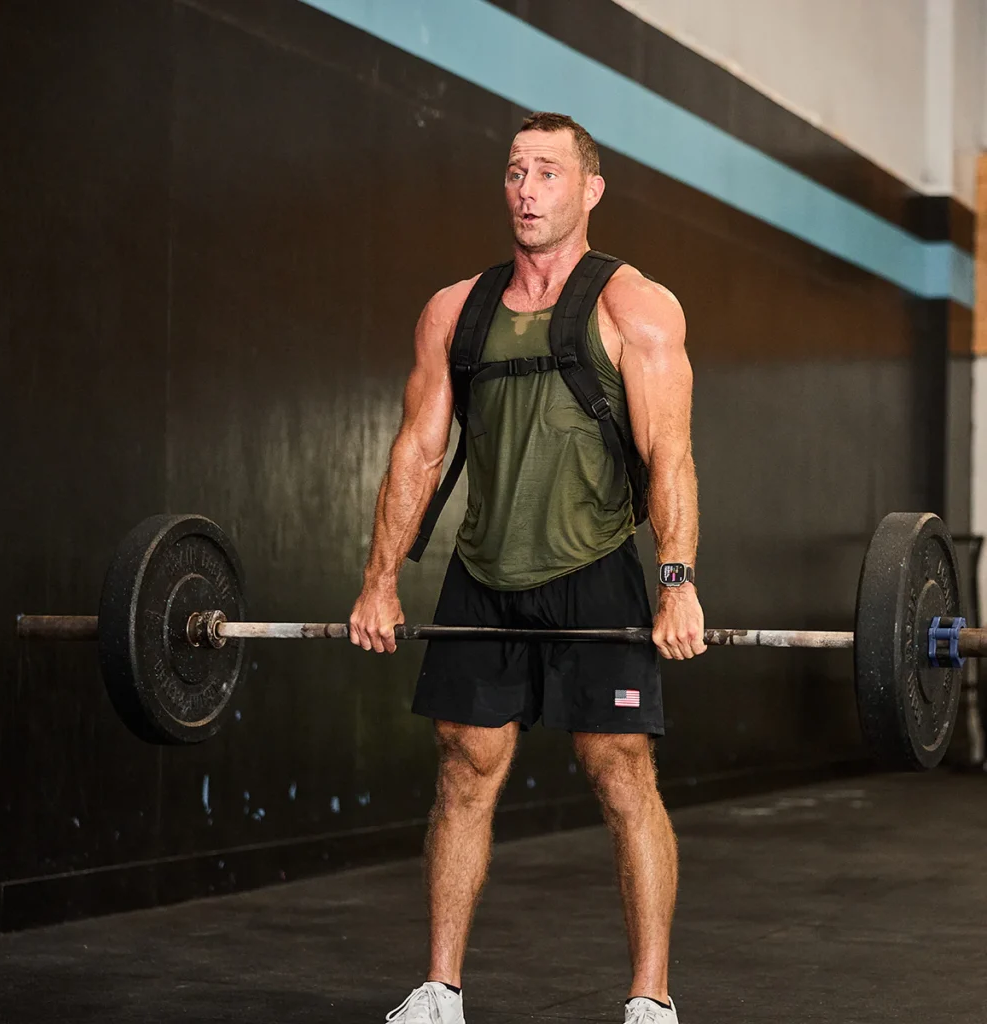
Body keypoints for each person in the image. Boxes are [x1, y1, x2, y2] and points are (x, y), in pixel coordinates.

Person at [349, 111, 705, 1024]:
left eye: (548, 172)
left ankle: (651, 998)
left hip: (596, 568)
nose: (527, 189)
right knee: (464, 770)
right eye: (515, 171)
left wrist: (675, 581)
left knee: (621, 772)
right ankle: (439, 991)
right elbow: (418, 452)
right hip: (483, 572)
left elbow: (669, 454)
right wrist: (380, 579)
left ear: (590, 189)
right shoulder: (455, 311)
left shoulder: (635, 307)